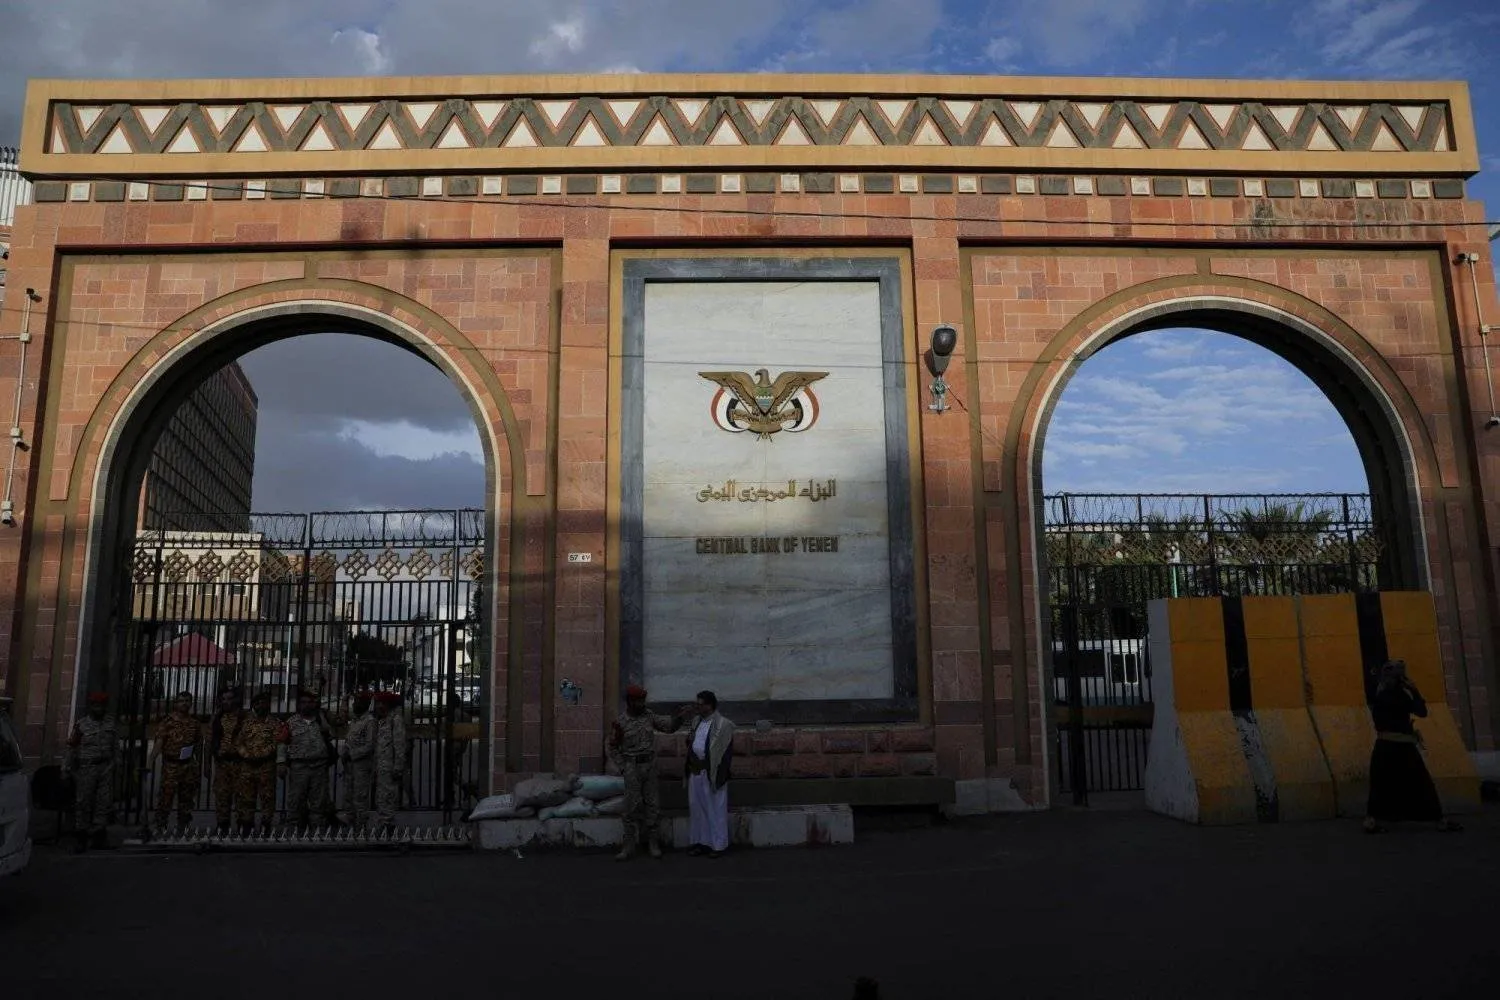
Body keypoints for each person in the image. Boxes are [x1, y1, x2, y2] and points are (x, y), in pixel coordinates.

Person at [1363, 658, 1462, 834]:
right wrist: (1414, 690)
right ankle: (1439, 820)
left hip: (1385, 746)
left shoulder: (1380, 695)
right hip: (1402, 747)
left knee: (1380, 783)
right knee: (1421, 783)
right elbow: (1421, 712)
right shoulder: (1399, 695)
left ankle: (1371, 820)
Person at [607, 683, 691, 861]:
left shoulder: (649, 716)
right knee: (630, 807)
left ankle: (653, 843)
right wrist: (623, 766)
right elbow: (612, 747)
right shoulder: (620, 722)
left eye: (643, 700)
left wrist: (679, 718)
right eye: (639, 700)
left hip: (650, 768)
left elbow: (668, 727)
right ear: (630, 701)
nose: (642, 703)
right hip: (632, 768)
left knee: (653, 805)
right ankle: (628, 845)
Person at [684, 689, 735, 858]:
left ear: (710, 705)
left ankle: (718, 845)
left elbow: (725, 754)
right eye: (697, 704)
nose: (698, 707)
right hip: (696, 772)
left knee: (715, 810)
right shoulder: (696, 722)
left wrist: (720, 776)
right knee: (697, 809)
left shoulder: (724, 724)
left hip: (712, 774)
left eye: (701, 704)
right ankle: (702, 843)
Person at [64, 691, 118, 852]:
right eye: (95, 705)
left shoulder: (110, 724)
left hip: (105, 768)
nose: (98, 708)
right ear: (91, 706)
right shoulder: (81, 725)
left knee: (103, 803)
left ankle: (99, 837)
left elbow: (115, 746)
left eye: (101, 705)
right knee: (84, 802)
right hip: (87, 768)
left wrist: (115, 764)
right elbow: (72, 748)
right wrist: (66, 769)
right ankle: (81, 837)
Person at [147, 690, 203, 834]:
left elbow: (198, 745)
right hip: (171, 765)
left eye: (187, 701)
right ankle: (160, 827)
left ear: (191, 703)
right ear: (176, 703)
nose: (184, 704)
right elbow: (159, 743)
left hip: (188, 765)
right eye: (181, 701)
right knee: (166, 797)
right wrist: (151, 760)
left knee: (186, 799)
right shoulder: (168, 722)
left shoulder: (194, 723)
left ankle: (182, 828)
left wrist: (199, 766)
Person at [279, 690, 334, 832]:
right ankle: (294, 831)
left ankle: (318, 831)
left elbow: (332, 735)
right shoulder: (291, 722)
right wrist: (281, 763)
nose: (307, 705)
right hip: (299, 767)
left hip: (319, 767)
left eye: (310, 702)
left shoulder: (321, 721)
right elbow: (282, 744)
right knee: (296, 801)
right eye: (303, 702)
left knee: (319, 802)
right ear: (298, 705)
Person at [234, 690, 280, 835]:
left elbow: (277, 743)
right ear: (253, 705)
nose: (261, 705)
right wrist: (246, 755)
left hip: (266, 766)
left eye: (264, 703)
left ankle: (266, 825)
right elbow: (238, 742)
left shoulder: (275, 723)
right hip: (247, 767)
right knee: (246, 797)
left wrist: (261, 755)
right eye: (258, 703)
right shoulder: (246, 723)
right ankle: (247, 825)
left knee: (267, 797)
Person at [209, 686, 248, 835]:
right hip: (222, 763)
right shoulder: (217, 717)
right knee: (222, 796)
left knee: (242, 796)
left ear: (236, 700)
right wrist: (207, 764)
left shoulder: (244, 717)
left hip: (240, 762)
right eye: (224, 699)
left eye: (230, 699)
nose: (226, 702)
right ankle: (222, 827)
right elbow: (210, 740)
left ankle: (243, 828)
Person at [371, 691, 408, 833]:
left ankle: (387, 823)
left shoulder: (395, 720)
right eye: (378, 703)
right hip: (381, 764)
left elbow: (399, 745)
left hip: (389, 765)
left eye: (382, 703)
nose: (379, 706)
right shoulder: (382, 720)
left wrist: (398, 767)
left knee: (387, 795)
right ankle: (384, 821)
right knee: (381, 795)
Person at [339, 690, 375, 830]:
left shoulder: (370, 721)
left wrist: (352, 754)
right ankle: (350, 819)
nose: (355, 704)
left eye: (359, 701)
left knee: (360, 795)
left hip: (361, 765)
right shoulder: (355, 720)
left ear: (366, 704)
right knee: (349, 793)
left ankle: (361, 824)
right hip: (350, 765)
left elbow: (370, 745)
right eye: (355, 701)